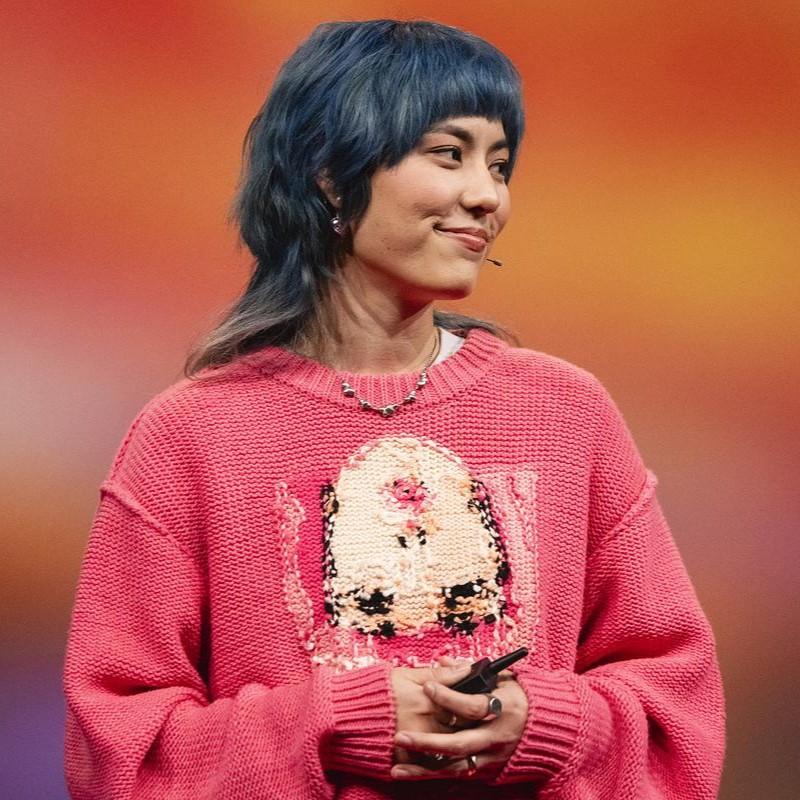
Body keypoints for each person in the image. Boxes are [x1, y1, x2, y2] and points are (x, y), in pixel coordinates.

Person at [63, 18, 726, 800]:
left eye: (500, 164)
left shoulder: (566, 413)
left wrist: (544, 724)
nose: (487, 196)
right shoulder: (192, 435)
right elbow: (119, 753)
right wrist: (335, 721)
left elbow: (678, 715)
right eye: (449, 153)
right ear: (330, 176)